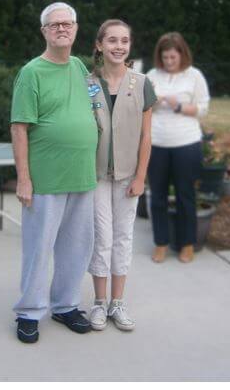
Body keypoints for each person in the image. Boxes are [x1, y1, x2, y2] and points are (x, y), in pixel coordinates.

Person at [10, 2, 97, 343]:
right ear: (44, 31)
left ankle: (66, 306)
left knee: (76, 247)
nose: (62, 28)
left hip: (82, 175)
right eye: (55, 24)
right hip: (45, 178)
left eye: (68, 23)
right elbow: (19, 128)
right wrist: (24, 178)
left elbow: (96, 108)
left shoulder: (80, 67)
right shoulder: (31, 72)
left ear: (76, 29)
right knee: (38, 248)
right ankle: (29, 311)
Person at [84, 20, 156, 332]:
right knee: (101, 238)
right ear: (99, 45)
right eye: (112, 40)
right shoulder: (86, 82)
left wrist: (141, 177)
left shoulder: (141, 83)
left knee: (123, 238)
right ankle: (99, 303)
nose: (118, 46)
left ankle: (118, 302)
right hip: (95, 176)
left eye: (124, 41)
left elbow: (146, 137)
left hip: (128, 177)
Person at [145, 32, 210, 263]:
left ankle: (187, 244)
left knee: (185, 195)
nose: (169, 62)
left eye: (173, 57)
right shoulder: (152, 75)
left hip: (186, 144)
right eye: (165, 58)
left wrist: (178, 105)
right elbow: (141, 104)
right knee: (158, 196)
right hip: (156, 143)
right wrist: (152, 101)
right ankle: (161, 243)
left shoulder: (194, 76)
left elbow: (203, 109)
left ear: (182, 54)